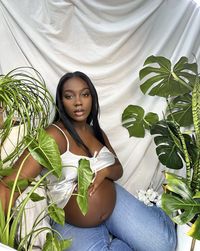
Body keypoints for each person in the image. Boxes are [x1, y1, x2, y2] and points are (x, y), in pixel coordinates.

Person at [0, 71, 177, 251]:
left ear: (92, 98)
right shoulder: (53, 136)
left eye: (85, 94)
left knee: (164, 245)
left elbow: (118, 170)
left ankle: (149, 216)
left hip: (115, 204)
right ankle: (123, 239)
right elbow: (10, 185)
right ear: (61, 102)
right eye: (69, 96)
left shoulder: (96, 132)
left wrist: (106, 172)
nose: (78, 102)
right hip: (71, 220)